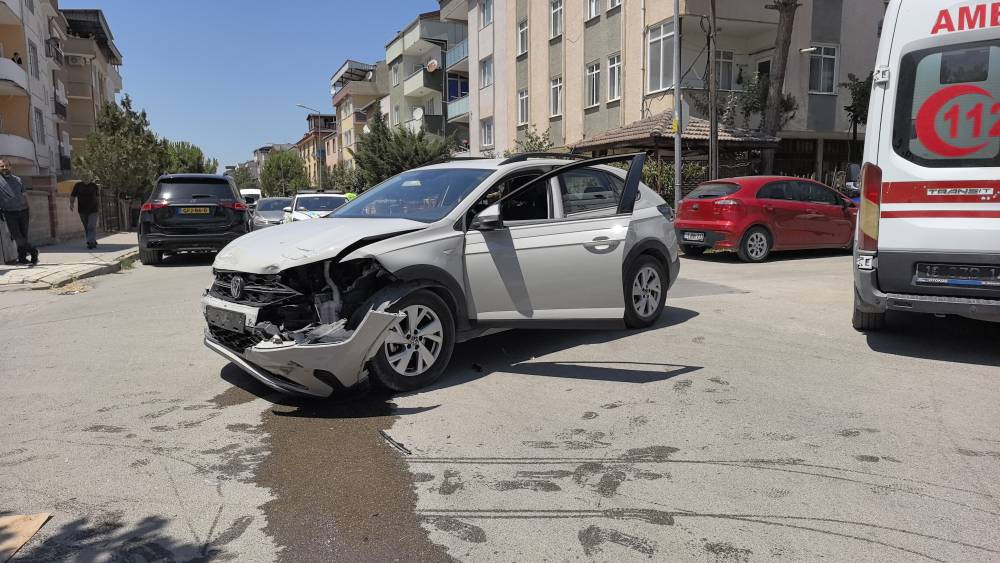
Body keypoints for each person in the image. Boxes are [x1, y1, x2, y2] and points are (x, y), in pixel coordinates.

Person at [0, 159, 38, 265]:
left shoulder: (18, 179)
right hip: (9, 212)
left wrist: (32, 209)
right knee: (16, 236)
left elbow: (25, 195)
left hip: (24, 211)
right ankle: (33, 250)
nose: (4, 168)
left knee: (23, 236)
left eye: (6, 166)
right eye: (2, 166)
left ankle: (22, 258)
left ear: (10, 167)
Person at [70, 179, 100, 249]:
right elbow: (73, 195)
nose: (86, 177)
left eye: (87, 175)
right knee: (86, 226)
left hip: (93, 209)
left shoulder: (94, 186)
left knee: (91, 226)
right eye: (84, 175)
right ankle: (92, 240)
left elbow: (97, 197)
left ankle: (91, 242)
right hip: (82, 210)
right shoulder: (78, 185)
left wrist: (99, 207)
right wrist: (71, 204)